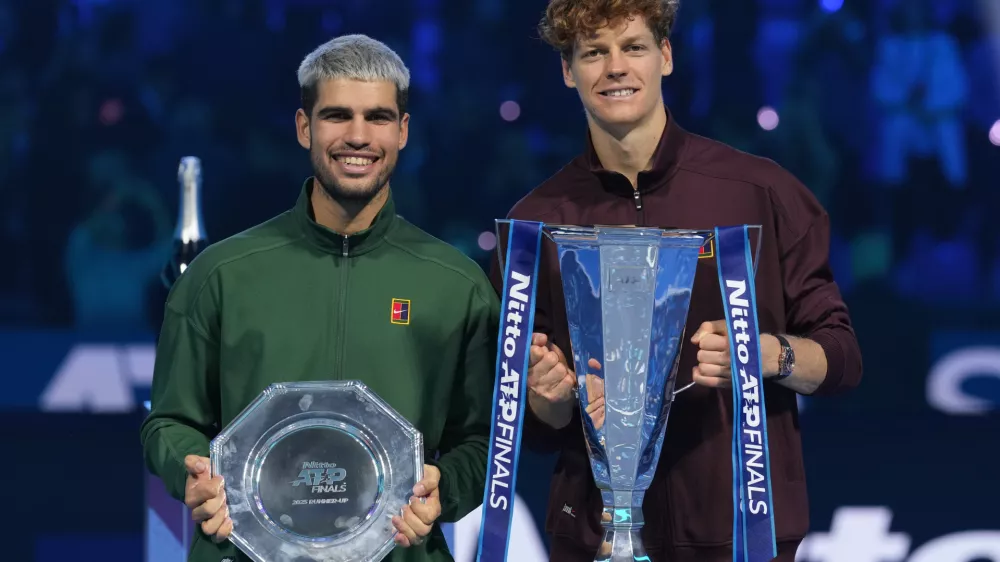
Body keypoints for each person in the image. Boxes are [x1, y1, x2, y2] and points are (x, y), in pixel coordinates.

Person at [491, 1, 863, 561]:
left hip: (740, 534)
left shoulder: (760, 192)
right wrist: (548, 395)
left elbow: (842, 359)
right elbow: (540, 430)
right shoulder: (535, 223)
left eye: (633, 47)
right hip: (598, 539)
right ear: (568, 71)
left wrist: (762, 353)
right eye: (594, 52)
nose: (615, 67)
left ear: (665, 56)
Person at [140, 34, 499, 562]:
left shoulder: (457, 284)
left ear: (402, 131)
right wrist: (192, 471)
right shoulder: (222, 274)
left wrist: (444, 488)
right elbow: (168, 421)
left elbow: (485, 440)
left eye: (377, 117)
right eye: (337, 116)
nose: (358, 136)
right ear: (305, 127)